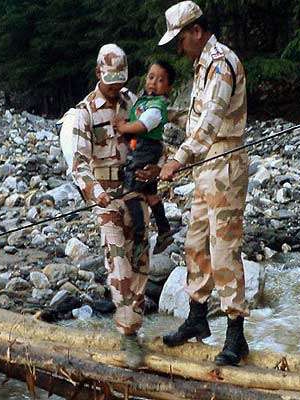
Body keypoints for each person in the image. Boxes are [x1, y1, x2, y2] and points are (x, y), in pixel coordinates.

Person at [155, 1, 250, 366]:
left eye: (179, 40)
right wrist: (165, 114)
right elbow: (196, 118)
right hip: (206, 165)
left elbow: (211, 122)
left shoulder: (221, 63)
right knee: (195, 243)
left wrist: (178, 158)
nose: (178, 49)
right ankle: (197, 317)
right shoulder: (201, 65)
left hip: (226, 163)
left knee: (224, 248)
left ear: (196, 31)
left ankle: (236, 334)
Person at [71, 44, 161, 353]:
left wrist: (156, 167)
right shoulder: (84, 112)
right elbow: (78, 165)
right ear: (98, 73)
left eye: (120, 79)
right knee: (119, 265)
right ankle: (128, 334)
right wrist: (95, 193)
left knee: (140, 260)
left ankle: (135, 324)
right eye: (111, 80)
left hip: (135, 192)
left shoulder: (133, 102)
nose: (116, 86)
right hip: (106, 199)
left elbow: (151, 139)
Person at [113, 60, 177, 259]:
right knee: (150, 193)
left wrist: (123, 127)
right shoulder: (143, 100)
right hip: (144, 147)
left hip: (145, 148)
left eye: (160, 80)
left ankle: (140, 234)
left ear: (168, 87)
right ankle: (164, 230)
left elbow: (142, 125)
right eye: (151, 77)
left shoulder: (157, 107)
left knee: (130, 189)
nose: (153, 83)